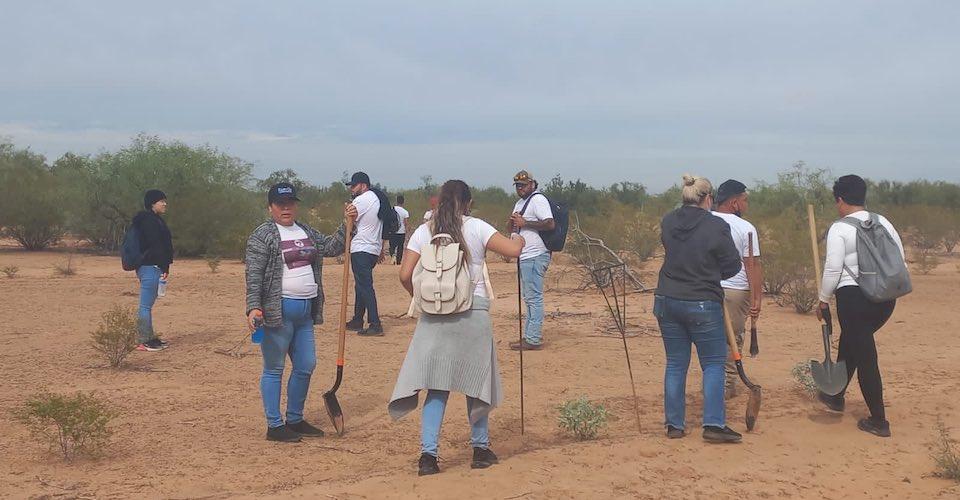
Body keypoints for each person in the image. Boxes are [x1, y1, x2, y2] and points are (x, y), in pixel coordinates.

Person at [390, 179, 525, 476]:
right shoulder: (477, 227)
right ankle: (480, 450)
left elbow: (405, 274)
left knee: (436, 387)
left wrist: (423, 300)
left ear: (439, 201)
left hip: (434, 315)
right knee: (476, 384)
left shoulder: (424, 231)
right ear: (469, 203)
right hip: (472, 312)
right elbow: (513, 251)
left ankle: (428, 456)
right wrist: (519, 234)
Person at [245, 182, 356, 443]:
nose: (286, 208)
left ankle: (294, 419)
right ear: (270, 207)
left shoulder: (305, 230)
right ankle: (274, 425)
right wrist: (253, 307)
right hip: (277, 312)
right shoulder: (262, 235)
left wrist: (347, 223)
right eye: (280, 204)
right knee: (274, 368)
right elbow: (254, 275)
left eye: (290, 203)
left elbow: (331, 247)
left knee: (306, 365)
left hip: (305, 312)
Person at [654, 174, 742, 443]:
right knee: (713, 363)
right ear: (708, 198)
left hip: (667, 298)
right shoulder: (715, 225)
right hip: (702, 301)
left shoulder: (669, 221)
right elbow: (732, 265)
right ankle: (714, 424)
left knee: (675, 363)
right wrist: (712, 273)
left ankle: (674, 425)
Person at [816, 174, 904, 438]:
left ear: (840, 200)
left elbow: (833, 268)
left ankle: (879, 420)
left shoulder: (840, 228)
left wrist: (823, 299)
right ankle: (835, 395)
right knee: (852, 342)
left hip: (853, 298)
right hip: (885, 299)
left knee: (865, 356)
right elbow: (899, 260)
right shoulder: (883, 222)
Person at [711, 180, 763, 398]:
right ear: (734, 203)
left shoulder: (704, 221)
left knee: (711, 337)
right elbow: (752, 265)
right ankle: (726, 384)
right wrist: (756, 298)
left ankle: (714, 382)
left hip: (707, 287)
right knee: (732, 338)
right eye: (744, 200)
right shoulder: (745, 228)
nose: (746, 205)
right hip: (735, 289)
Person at [507, 170, 554, 351]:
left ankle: (533, 338)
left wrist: (524, 223)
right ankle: (529, 335)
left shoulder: (538, 200)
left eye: (524, 185)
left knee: (534, 297)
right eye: (518, 185)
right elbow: (513, 227)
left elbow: (549, 223)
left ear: (532, 184)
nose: (520, 188)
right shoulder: (520, 203)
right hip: (525, 255)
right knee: (529, 298)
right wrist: (513, 222)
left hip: (535, 255)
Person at [345, 172, 387, 336]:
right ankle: (357, 319)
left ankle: (375, 323)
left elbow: (350, 221)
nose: (352, 189)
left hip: (361, 247)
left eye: (354, 186)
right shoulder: (376, 199)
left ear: (363, 185)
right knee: (361, 285)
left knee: (365, 286)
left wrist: (346, 213)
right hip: (372, 248)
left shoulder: (362, 200)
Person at [133, 189, 173, 352]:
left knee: (147, 305)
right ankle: (143, 340)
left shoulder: (155, 220)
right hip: (150, 266)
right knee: (145, 306)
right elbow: (156, 246)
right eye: (161, 201)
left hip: (153, 266)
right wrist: (164, 265)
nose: (164, 204)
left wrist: (165, 265)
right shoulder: (149, 221)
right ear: (152, 203)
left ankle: (149, 337)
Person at [390, 194, 410, 265]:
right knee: (400, 247)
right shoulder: (405, 212)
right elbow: (406, 223)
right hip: (401, 232)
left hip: (392, 231)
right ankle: (398, 261)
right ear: (403, 202)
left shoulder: (392, 209)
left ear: (396, 201)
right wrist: (407, 232)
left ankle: (393, 255)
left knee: (392, 245)